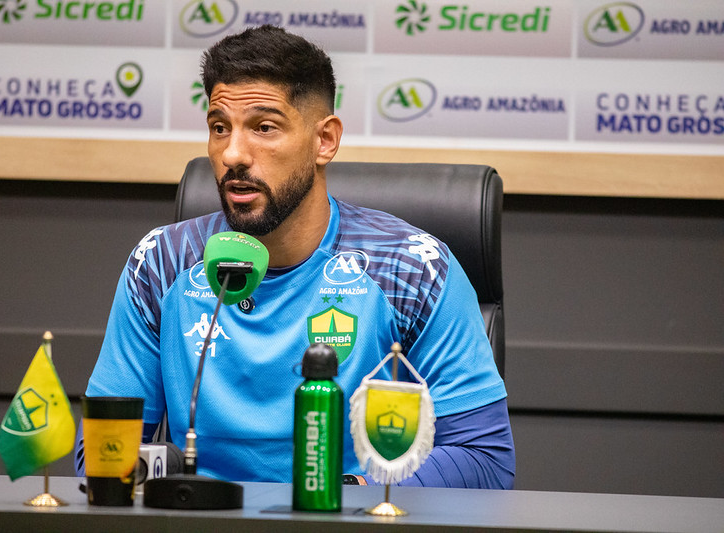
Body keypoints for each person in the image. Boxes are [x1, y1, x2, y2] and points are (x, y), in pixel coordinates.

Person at [77, 24, 514, 488]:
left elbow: (485, 462)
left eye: (264, 127)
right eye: (219, 127)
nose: (233, 154)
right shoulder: (162, 263)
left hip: (346, 516)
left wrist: (343, 498)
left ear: (325, 141)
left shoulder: (410, 268)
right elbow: (102, 457)